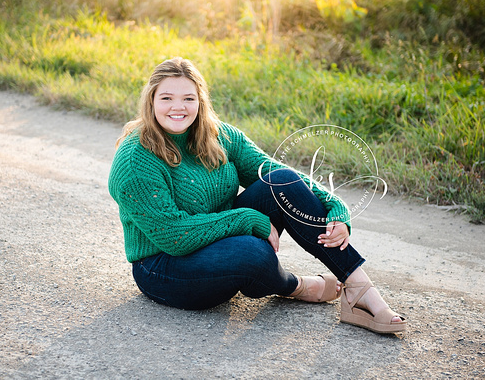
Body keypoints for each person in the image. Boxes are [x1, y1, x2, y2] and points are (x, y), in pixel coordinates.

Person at [108, 57, 407, 334]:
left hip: (217, 239)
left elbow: (276, 173)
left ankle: (359, 289)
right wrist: (248, 218)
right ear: (151, 101)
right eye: (167, 98)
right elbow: (173, 235)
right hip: (164, 265)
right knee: (253, 253)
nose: (179, 107)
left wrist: (335, 205)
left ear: (200, 101)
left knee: (283, 183)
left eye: (188, 98)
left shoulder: (218, 134)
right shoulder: (136, 159)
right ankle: (295, 286)